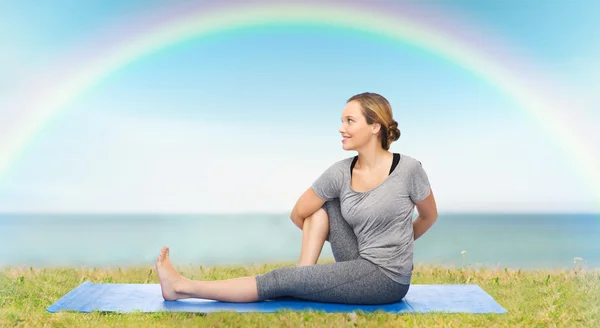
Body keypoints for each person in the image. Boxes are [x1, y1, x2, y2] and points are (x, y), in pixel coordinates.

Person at [155, 92, 438, 304]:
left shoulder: (409, 169)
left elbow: (429, 216)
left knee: (278, 279)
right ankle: (303, 277)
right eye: (341, 121)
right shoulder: (340, 172)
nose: (341, 127)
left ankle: (180, 287)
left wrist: (398, 243)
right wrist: (321, 244)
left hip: (387, 278)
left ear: (375, 127)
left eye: (350, 121)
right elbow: (298, 214)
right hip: (357, 257)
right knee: (322, 206)